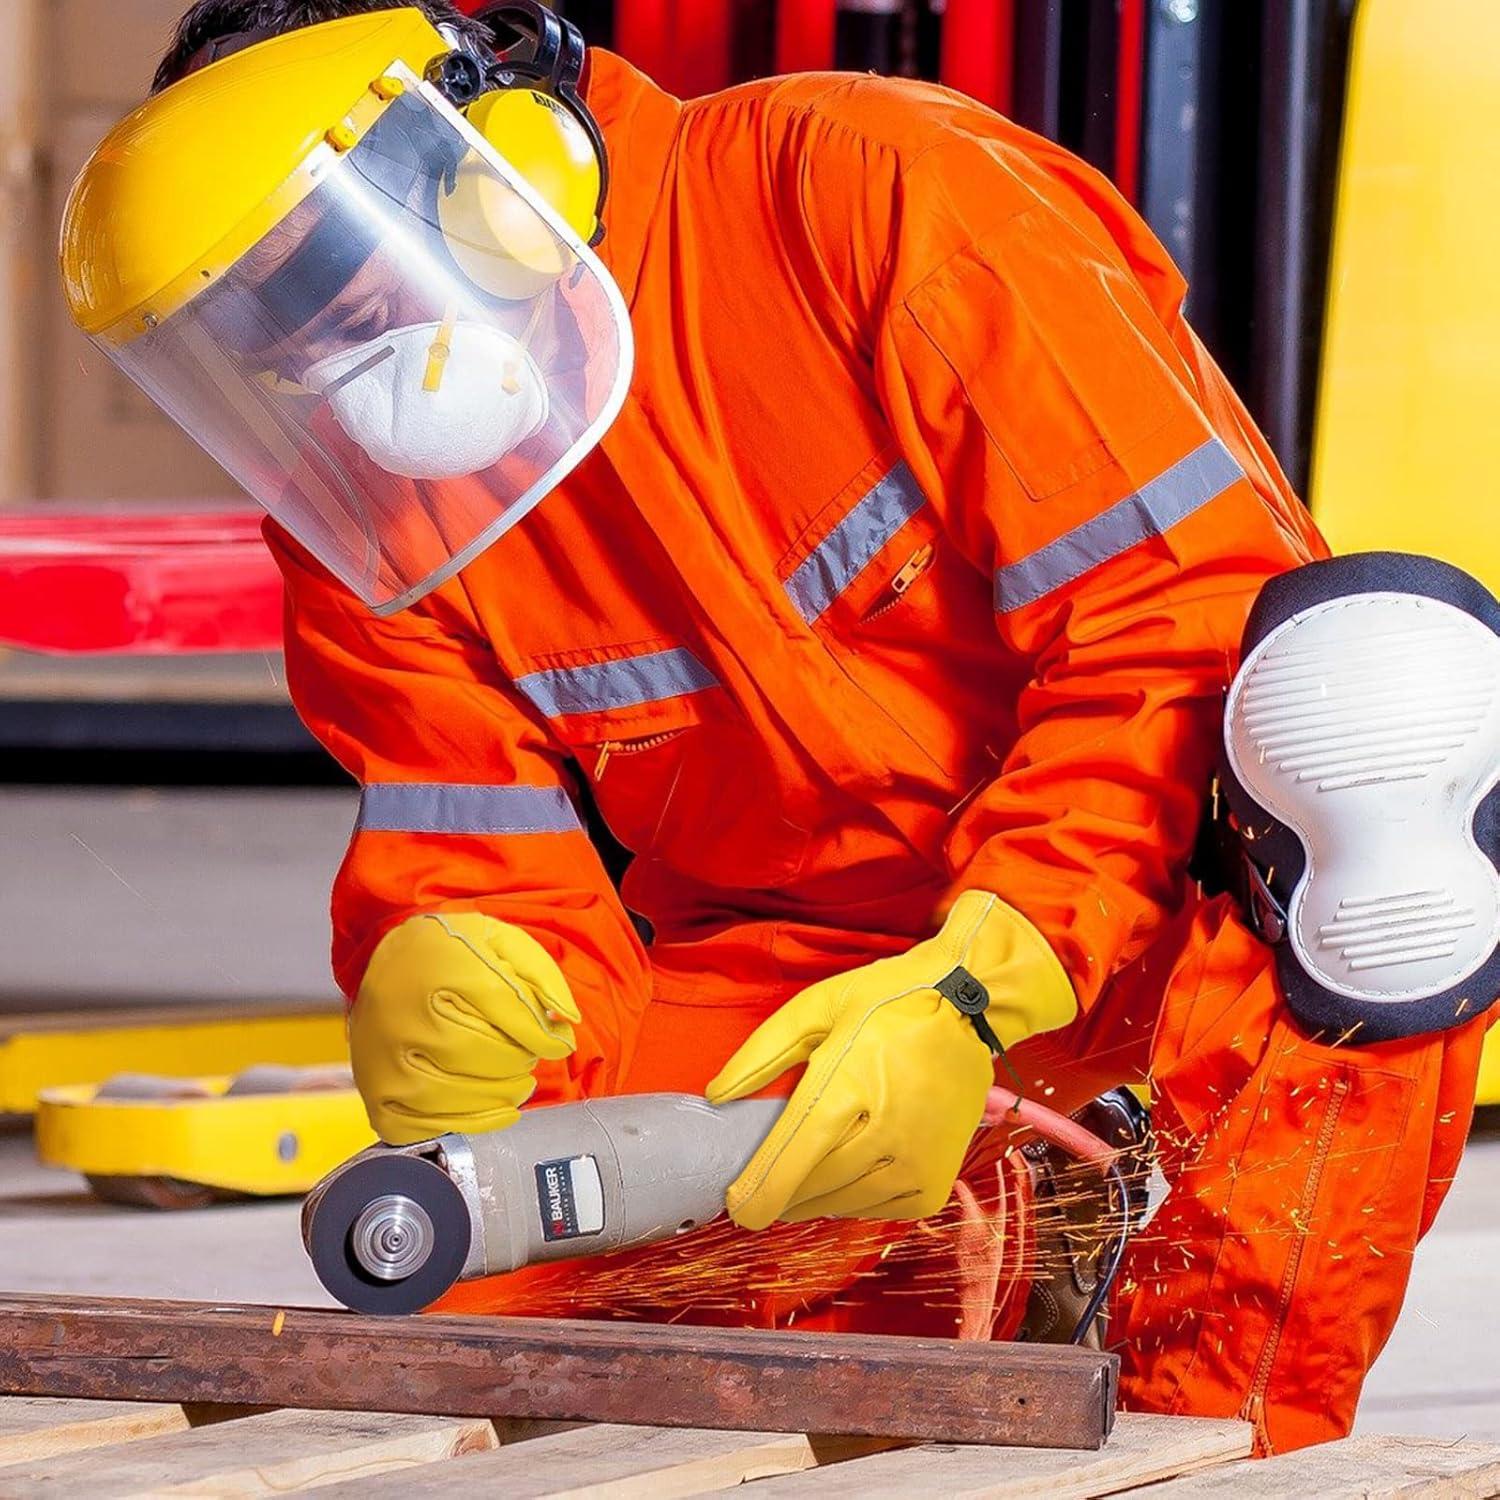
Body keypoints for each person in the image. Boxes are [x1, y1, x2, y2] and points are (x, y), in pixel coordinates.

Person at [60, 0, 1499, 1452]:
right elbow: (469, 833)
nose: (318, 357)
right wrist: (455, 960)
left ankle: (1206, 1441)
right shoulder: (372, 503)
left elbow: (1171, 622)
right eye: (255, 329)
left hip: (1157, 900)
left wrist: (982, 984)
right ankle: (1017, 1237)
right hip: (808, 966)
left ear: (490, 145)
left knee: (1384, 729)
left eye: (325, 271)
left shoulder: (875, 191)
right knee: (487, 1265)